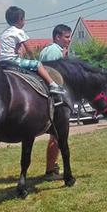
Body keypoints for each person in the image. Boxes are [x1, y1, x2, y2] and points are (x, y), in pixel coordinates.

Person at [0, 6, 66, 98]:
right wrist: (33, 59)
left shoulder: (5, 33)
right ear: (20, 20)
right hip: (11, 60)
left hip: (0, 62)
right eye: (24, 19)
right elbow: (29, 48)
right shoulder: (18, 32)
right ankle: (53, 85)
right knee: (38, 64)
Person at [39, 24, 72, 180]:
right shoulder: (54, 51)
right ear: (57, 37)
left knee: (56, 136)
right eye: (66, 37)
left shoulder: (49, 49)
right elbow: (56, 74)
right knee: (56, 136)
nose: (69, 40)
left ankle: (53, 166)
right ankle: (50, 170)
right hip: (54, 99)